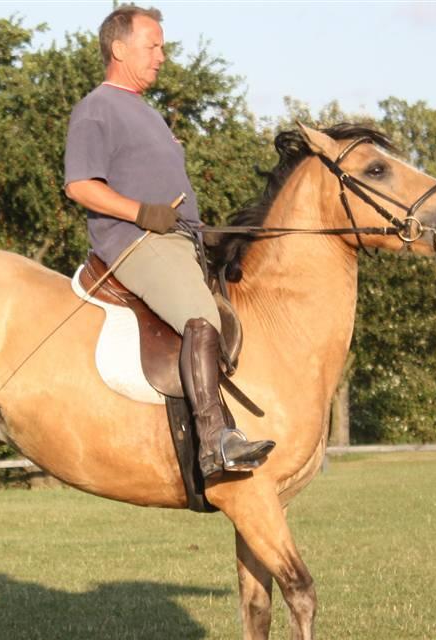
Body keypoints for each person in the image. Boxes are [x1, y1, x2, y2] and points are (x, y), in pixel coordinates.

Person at [64, 4, 274, 479]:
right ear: (119, 48)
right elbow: (79, 185)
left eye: (162, 46)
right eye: (152, 45)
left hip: (178, 240)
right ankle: (215, 442)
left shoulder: (146, 112)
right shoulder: (97, 108)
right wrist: (142, 212)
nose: (161, 56)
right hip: (136, 242)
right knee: (201, 317)